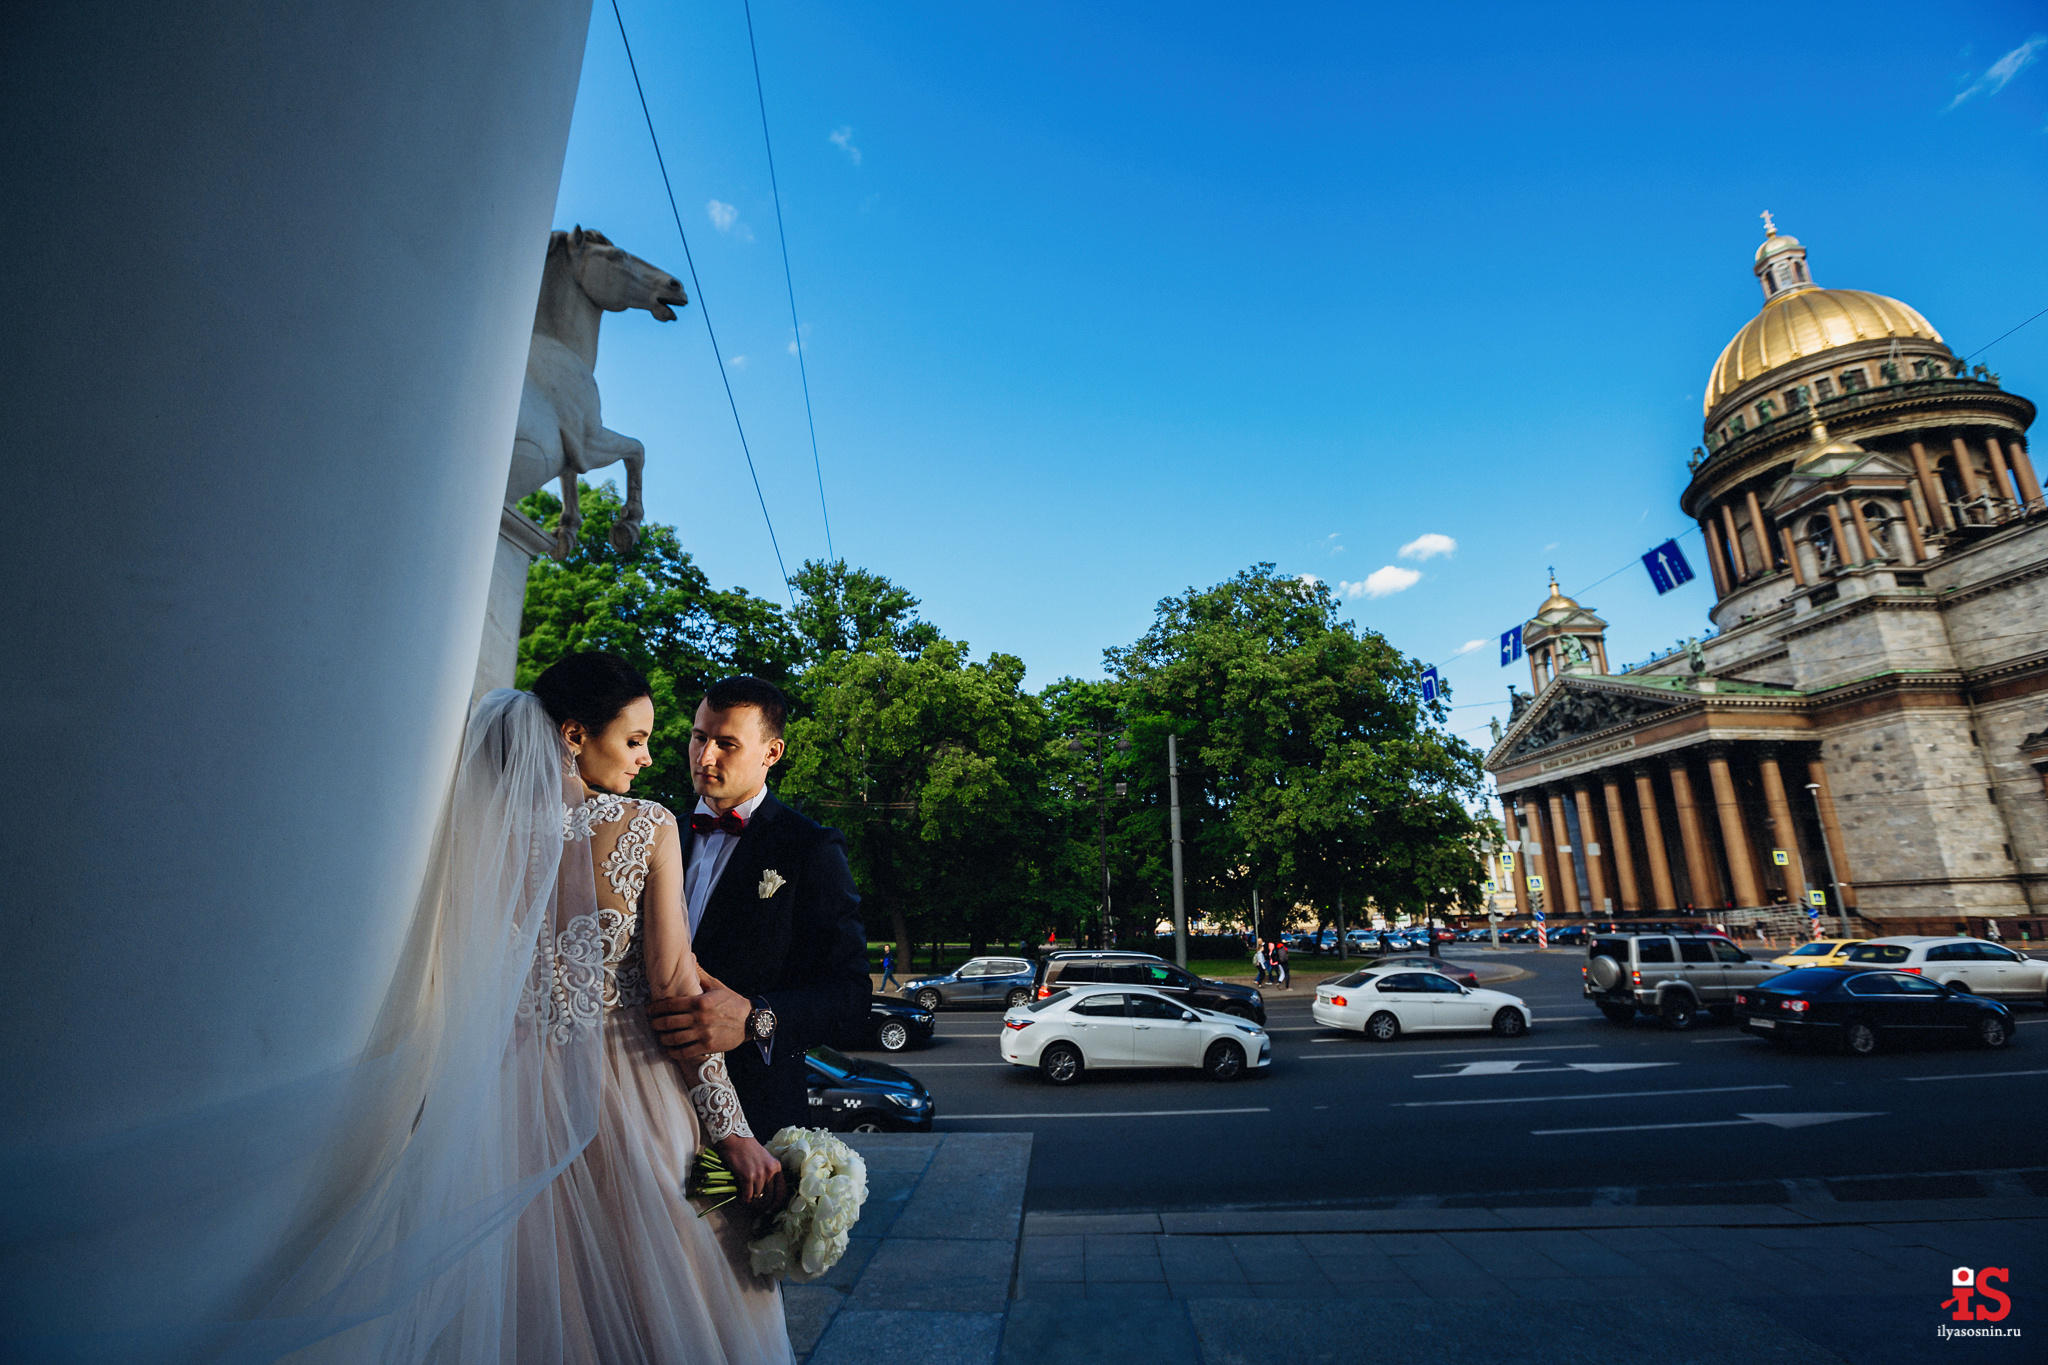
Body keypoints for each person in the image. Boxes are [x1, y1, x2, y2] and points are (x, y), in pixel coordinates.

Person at [648, 676, 870, 1140]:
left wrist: (755, 1017)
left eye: (726, 744)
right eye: (699, 737)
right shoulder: (656, 834)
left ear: (772, 752)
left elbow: (851, 997)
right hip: (643, 1100)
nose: (704, 757)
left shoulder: (810, 847)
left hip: (754, 1114)